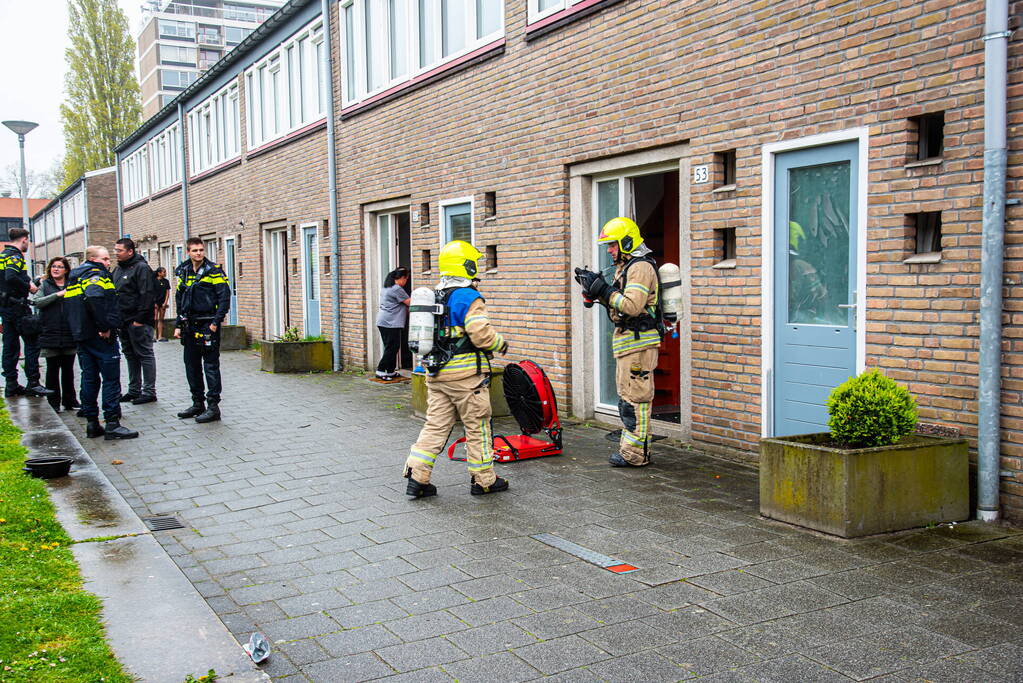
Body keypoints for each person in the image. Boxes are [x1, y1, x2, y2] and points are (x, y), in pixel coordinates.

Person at [404, 240, 509, 498]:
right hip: (466, 380)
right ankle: (484, 480)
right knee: (477, 426)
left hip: (436, 375)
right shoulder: (468, 296)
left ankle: (417, 477)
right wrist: (501, 343)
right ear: (467, 266)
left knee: (435, 426)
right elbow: (480, 334)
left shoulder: (435, 295)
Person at [575, 217, 661, 467]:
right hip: (628, 344)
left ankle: (635, 455)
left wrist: (604, 291)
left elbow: (632, 306)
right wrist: (594, 289)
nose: (610, 250)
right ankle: (630, 450)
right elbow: (618, 302)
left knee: (637, 400)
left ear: (625, 242)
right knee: (627, 398)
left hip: (639, 345)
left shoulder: (640, 268)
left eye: (612, 245)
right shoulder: (627, 266)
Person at [65, 246, 138, 440]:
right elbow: (95, 297)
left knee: (89, 379)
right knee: (111, 379)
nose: (108, 262)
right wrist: (104, 325)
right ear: (93, 259)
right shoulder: (95, 275)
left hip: (83, 336)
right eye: (105, 259)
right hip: (100, 337)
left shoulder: (74, 277)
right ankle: (112, 423)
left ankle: (92, 423)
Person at [174, 237, 230, 424]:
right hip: (189, 324)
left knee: (211, 366)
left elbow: (224, 297)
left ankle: (213, 407)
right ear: (188, 252)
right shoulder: (183, 271)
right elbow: (180, 298)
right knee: (191, 365)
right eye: (195, 250)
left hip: (208, 323)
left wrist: (216, 322)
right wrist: (177, 324)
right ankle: (197, 403)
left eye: (201, 250)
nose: (198, 253)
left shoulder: (213, 271)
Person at [0, 228, 53, 398]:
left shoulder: (2, 255)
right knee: (32, 343)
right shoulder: (15, 256)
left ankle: (11, 384)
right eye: (28, 241)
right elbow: (11, 277)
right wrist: (29, 286)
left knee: (10, 346)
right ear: (24, 240)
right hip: (18, 307)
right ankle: (33, 383)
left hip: (6, 307)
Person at [112, 238, 157, 404]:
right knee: (130, 355)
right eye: (115, 250)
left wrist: (139, 320)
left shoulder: (141, 268)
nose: (116, 253)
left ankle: (149, 391)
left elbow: (147, 294)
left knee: (145, 354)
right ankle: (134, 390)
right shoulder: (118, 269)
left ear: (130, 251)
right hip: (123, 322)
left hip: (138, 322)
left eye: (119, 250)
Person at [31, 256, 79, 411]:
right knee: (52, 370)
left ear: (66, 270)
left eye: (59, 266)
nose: (56, 269)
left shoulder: (73, 285)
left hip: (69, 332)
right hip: (50, 332)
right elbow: (37, 302)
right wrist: (57, 295)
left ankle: (70, 400)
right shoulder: (45, 285)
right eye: (53, 266)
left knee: (68, 370)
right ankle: (53, 402)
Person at [375, 266, 410, 380]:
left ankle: (390, 371)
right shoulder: (396, 289)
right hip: (390, 323)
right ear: (402, 278)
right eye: (406, 279)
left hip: (384, 321)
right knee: (392, 347)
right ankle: (380, 370)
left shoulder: (386, 287)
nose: (406, 282)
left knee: (391, 347)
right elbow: (410, 302)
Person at [154, 267, 172, 342]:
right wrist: (153, 302)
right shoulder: (153, 281)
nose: (165, 273)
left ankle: (160, 336)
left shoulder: (166, 281)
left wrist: (165, 302)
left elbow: (167, 293)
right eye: (163, 272)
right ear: (159, 273)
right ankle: (153, 336)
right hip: (155, 302)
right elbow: (151, 292)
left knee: (161, 319)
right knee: (154, 319)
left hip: (162, 302)